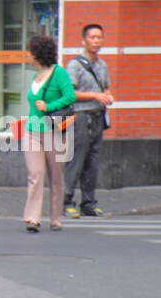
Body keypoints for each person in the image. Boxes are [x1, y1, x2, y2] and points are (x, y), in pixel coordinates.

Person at [21, 34, 74, 233]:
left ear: (37, 53)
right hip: (32, 131)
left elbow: (70, 97)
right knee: (35, 174)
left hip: (54, 132)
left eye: (30, 51)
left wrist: (49, 105)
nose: (27, 54)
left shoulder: (59, 73)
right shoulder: (35, 76)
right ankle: (33, 218)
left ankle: (55, 218)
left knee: (56, 176)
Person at [64, 23, 114, 218]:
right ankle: (67, 201)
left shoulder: (102, 65)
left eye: (99, 37)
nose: (96, 41)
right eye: (92, 37)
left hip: (98, 117)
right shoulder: (75, 65)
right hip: (81, 117)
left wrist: (107, 95)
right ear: (83, 40)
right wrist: (95, 96)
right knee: (77, 160)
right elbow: (70, 93)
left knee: (93, 162)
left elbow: (106, 87)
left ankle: (89, 203)